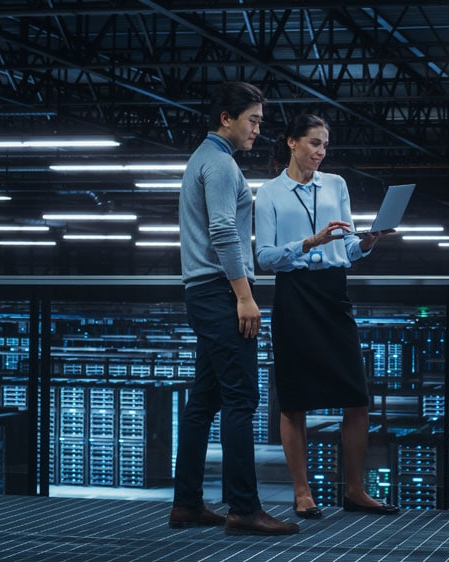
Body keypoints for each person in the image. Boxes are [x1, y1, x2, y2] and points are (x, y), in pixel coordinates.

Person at [169, 82, 299, 536]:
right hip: (220, 293)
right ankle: (244, 508)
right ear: (227, 117)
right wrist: (244, 296)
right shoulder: (220, 164)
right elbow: (224, 231)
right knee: (241, 399)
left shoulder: (202, 159)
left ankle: (186, 504)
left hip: (203, 293)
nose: (259, 130)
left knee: (204, 401)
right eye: (254, 120)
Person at [254, 114, 400, 518]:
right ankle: (302, 493)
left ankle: (355, 489)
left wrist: (366, 243)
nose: (321, 152)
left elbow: (348, 247)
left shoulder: (336, 185)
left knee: (356, 398)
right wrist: (307, 243)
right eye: (314, 143)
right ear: (291, 143)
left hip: (334, 293)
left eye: (325, 146)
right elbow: (264, 257)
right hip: (295, 295)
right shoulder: (268, 194)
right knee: (295, 401)